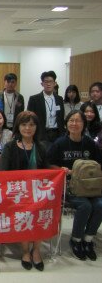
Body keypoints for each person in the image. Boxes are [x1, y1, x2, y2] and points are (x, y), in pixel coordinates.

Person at [48, 110, 102, 261]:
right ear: (66, 124)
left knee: (99, 205)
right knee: (85, 206)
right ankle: (76, 240)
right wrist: (61, 170)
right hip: (68, 186)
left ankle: (88, 239)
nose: (74, 124)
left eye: (78, 121)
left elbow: (99, 163)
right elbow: (49, 164)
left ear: (84, 124)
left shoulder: (90, 143)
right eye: (71, 120)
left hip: (89, 186)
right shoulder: (60, 143)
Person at [1, 111, 49, 271]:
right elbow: (4, 174)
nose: (28, 128)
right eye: (24, 124)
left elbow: (48, 172)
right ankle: (25, 251)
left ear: (37, 127)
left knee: (41, 211)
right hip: (17, 194)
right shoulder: (10, 147)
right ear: (18, 127)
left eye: (32, 125)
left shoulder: (41, 147)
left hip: (38, 193)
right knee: (26, 212)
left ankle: (36, 250)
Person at [27, 71, 65, 147]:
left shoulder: (59, 99)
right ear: (42, 84)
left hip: (57, 133)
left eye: (51, 81)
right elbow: (29, 117)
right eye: (46, 82)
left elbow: (61, 117)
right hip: (41, 133)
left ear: (55, 83)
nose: (48, 84)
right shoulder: (34, 99)